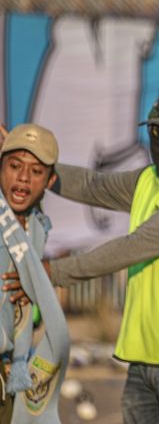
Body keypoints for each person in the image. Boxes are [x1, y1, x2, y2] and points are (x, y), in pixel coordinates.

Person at [5, 90, 159, 424]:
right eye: (155, 131)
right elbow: (92, 185)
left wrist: (50, 272)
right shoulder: (148, 179)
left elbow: (131, 248)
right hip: (141, 356)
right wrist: (33, 160)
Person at [0, 124, 68, 424]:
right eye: (14, 166)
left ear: (50, 180)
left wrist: (32, 294)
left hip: (12, 374)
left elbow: (33, 316)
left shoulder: (36, 230)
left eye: (36, 171)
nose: (23, 177)